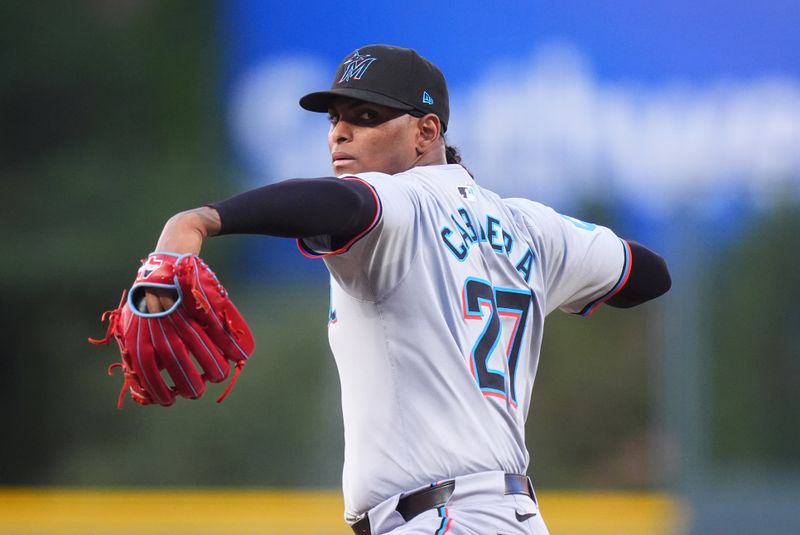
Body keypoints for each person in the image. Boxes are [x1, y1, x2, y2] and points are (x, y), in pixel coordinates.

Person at [145, 44, 671, 535]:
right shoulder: (530, 228)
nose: (340, 134)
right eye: (336, 119)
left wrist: (198, 221)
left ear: (426, 132)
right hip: (516, 518)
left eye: (367, 117)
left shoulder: (401, 202)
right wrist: (531, 281)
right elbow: (647, 274)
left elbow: (337, 205)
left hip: (439, 518)